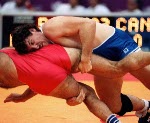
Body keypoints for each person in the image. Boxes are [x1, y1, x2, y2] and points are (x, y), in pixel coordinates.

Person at [11, 16, 150, 123]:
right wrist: (24, 96)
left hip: (114, 44)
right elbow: (46, 78)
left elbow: (88, 24)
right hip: (100, 60)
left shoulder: (50, 27)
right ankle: (145, 107)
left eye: (32, 42)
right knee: (112, 106)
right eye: (32, 49)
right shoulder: (47, 50)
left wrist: (85, 59)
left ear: (32, 30)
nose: (36, 47)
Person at [0, 46, 122, 123]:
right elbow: (37, 73)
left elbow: (34, 75)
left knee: (86, 92)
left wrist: (23, 97)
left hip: (40, 73)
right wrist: (23, 97)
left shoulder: (7, 54)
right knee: (88, 92)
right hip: (51, 63)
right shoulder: (16, 51)